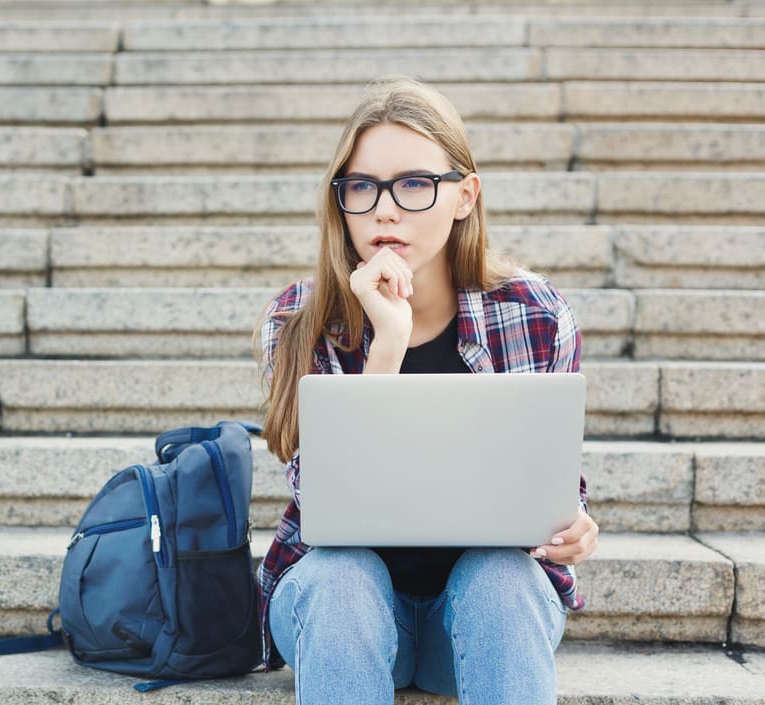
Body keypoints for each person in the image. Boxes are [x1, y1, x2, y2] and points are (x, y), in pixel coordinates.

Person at [253, 76, 600, 704]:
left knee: (500, 578)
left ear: (464, 196)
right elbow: (327, 506)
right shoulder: (299, 317)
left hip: (472, 620)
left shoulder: (536, 313)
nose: (384, 209)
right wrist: (387, 345)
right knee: (342, 578)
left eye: (414, 183)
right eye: (362, 186)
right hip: (340, 613)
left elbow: (552, 490)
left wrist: (572, 528)